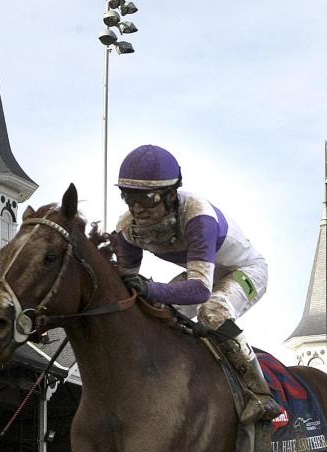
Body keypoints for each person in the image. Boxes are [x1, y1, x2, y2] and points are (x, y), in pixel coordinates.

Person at [113, 144, 282, 424]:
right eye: (129, 198)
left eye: (148, 198)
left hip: (244, 270)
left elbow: (200, 291)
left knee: (212, 312)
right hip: (203, 271)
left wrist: (150, 288)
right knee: (156, 311)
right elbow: (127, 286)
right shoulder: (126, 228)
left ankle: (260, 394)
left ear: (170, 195)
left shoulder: (197, 215)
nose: (138, 209)